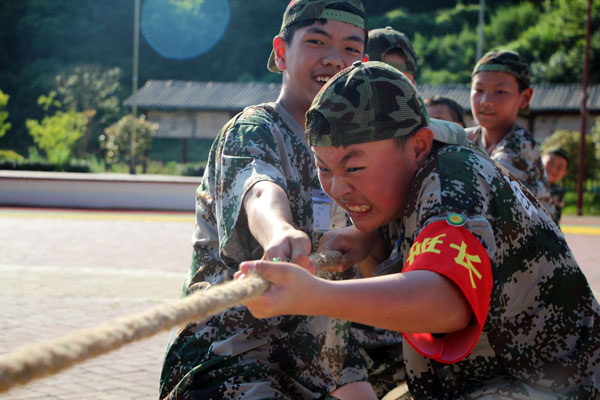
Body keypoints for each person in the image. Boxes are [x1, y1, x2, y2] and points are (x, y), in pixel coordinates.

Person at [237, 61, 600, 399]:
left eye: (355, 168)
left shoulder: (452, 178)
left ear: (419, 146)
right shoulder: (410, 172)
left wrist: (312, 294)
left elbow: (446, 300)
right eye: (324, 168)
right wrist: (373, 241)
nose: (338, 188)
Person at [159, 1, 378, 399]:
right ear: (281, 52)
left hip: (316, 364)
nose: (334, 59)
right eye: (317, 41)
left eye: (350, 48)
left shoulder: (360, 152)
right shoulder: (254, 129)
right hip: (231, 358)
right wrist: (280, 231)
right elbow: (259, 187)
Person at [466, 50, 555, 218]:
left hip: (532, 242)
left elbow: (483, 191)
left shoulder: (521, 146)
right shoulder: (466, 138)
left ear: (525, 98)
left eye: (500, 92)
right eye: (478, 90)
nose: (485, 101)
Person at [543, 146, 570, 223]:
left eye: (560, 167)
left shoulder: (558, 192)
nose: (553, 169)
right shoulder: (525, 180)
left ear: (564, 172)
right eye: (550, 163)